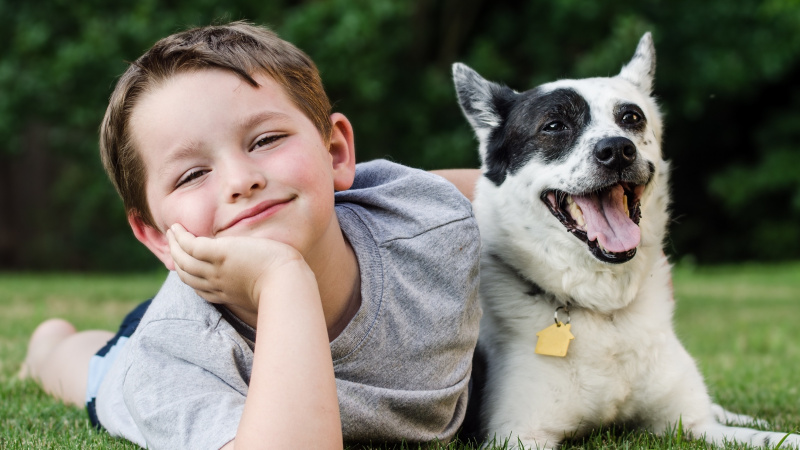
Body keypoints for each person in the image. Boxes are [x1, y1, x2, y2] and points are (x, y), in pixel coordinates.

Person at [19, 21, 482, 449]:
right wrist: (282, 279)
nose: (241, 180)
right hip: (186, 325)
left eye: (265, 140)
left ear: (336, 153)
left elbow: (522, 194)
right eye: (192, 174)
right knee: (93, 370)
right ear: (156, 235)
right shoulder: (168, 365)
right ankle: (47, 346)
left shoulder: (427, 218)